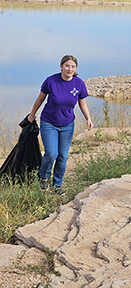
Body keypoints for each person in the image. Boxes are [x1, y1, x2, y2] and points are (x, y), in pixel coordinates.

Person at [28, 55, 93, 194]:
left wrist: (88, 118)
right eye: (67, 66)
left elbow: (82, 102)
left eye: (73, 66)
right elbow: (40, 99)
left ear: (75, 68)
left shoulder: (79, 83)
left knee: (63, 156)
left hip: (68, 124)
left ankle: (57, 185)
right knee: (51, 153)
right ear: (61, 66)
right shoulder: (51, 81)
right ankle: (44, 177)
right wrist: (32, 114)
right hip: (49, 122)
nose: (69, 69)